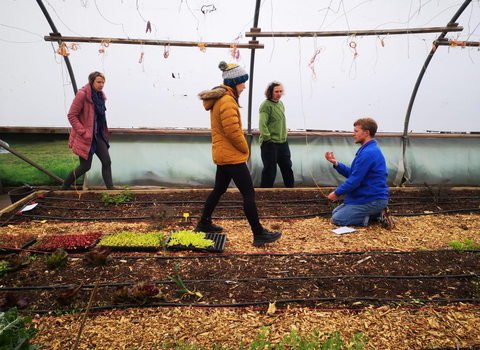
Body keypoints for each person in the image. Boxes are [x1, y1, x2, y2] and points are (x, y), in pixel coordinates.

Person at [196, 61, 282, 247]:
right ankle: (259, 234)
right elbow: (232, 131)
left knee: (219, 189)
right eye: (242, 82)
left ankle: (203, 223)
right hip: (231, 155)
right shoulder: (227, 100)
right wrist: (245, 148)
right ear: (234, 82)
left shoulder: (222, 99)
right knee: (249, 193)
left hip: (224, 154)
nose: (244, 86)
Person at [324, 118, 395, 229]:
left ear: (366, 133)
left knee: (338, 218)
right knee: (335, 212)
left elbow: (354, 181)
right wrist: (337, 164)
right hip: (366, 196)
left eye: (356, 131)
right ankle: (377, 213)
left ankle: (377, 215)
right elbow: (354, 174)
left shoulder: (368, 153)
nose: (353, 134)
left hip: (372, 198)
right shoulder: (367, 150)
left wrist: (336, 193)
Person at [60, 71, 115, 190]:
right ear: (92, 81)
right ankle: (63, 187)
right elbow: (72, 115)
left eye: (103, 83)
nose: (101, 85)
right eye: (99, 82)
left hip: (97, 135)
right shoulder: (82, 94)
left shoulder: (100, 96)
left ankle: (111, 190)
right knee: (85, 166)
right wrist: (82, 131)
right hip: (86, 136)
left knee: (107, 162)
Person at [259, 81, 294, 188]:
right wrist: (268, 139)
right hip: (270, 143)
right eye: (276, 91)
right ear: (271, 92)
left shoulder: (280, 104)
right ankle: (264, 193)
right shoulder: (266, 106)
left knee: (287, 167)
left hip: (283, 142)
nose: (279, 94)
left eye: (280, 91)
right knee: (270, 170)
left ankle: (291, 190)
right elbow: (262, 124)